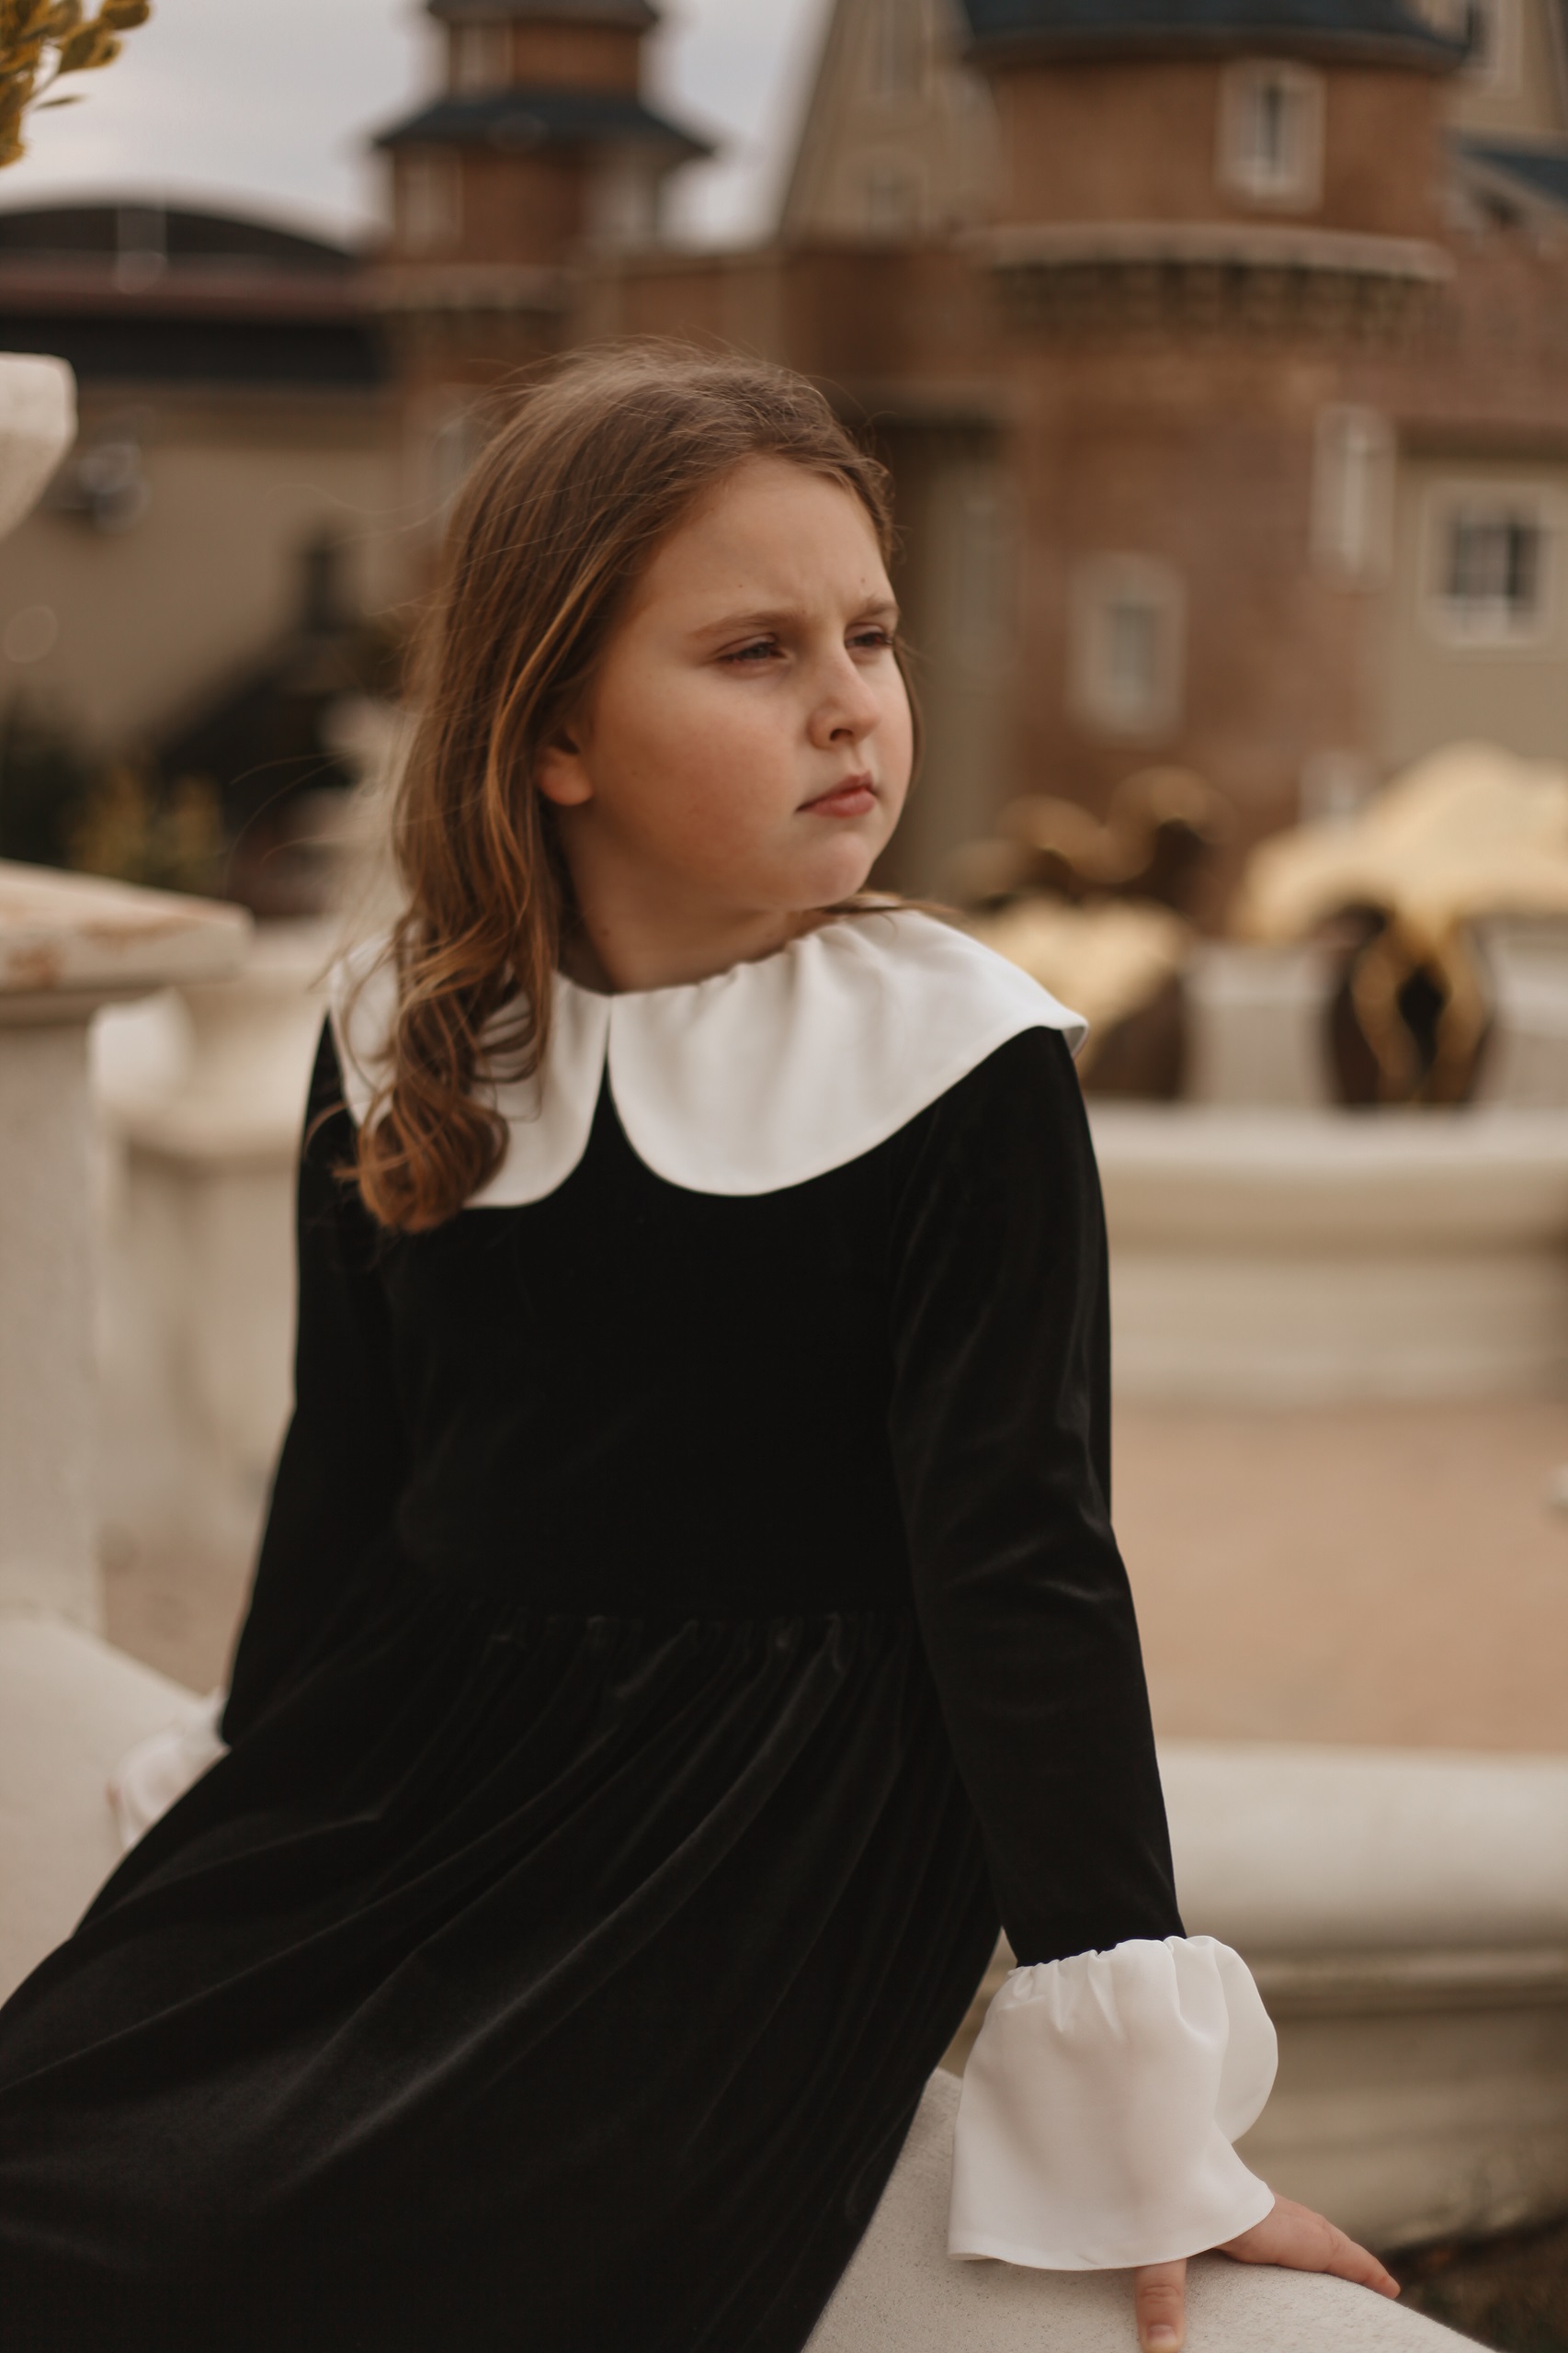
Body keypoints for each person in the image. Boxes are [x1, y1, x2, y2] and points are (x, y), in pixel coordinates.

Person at [0, 347, 1397, 2353]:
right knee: (59, 2157)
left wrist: (1145, 2123)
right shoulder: (404, 1030)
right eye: (755, 651)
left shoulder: (958, 1059)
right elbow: (349, 1464)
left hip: (738, 1836)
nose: (849, 701)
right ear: (555, 727)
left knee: (331, 2257)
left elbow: (1023, 1572)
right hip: (399, 1767)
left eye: (871, 636)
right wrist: (238, 1808)